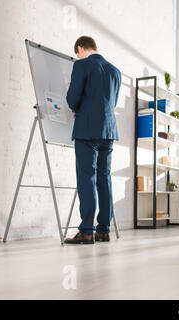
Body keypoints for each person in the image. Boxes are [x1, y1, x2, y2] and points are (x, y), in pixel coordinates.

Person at [64, 36, 121, 244]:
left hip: (87, 130)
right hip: (109, 131)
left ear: (80, 48)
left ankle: (87, 231)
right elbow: (111, 102)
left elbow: (72, 99)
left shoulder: (81, 66)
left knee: (87, 178)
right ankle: (104, 230)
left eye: (77, 53)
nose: (77, 56)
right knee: (104, 179)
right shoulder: (115, 71)